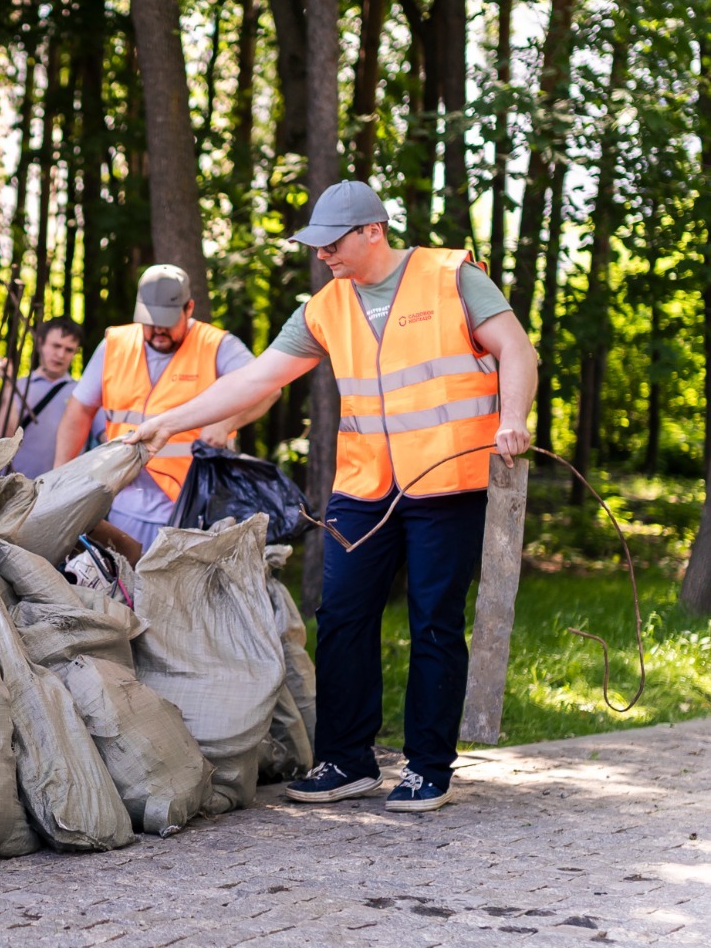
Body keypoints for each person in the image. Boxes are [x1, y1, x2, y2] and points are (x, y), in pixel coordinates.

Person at [127, 181, 538, 813]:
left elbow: (517, 348)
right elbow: (257, 377)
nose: (322, 255)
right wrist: (169, 422)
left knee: (434, 619)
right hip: (364, 484)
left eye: (331, 242)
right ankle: (348, 760)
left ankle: (430, 768)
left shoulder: (450, 276)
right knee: (342, 615)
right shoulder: (325, 307)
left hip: (447, 479)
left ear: (373, 231)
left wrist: (514, 416)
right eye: (315, 245)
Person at [53, 264, 277, 552]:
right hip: (123, 504)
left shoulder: (217, 345)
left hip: (193, 509)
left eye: (167, 321)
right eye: (150, 321)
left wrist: (225, 423)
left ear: (189, 308)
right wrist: (61, 477)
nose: (158, 330)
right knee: (123, 592)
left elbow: (268, 389)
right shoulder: (115, 345)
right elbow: (79, 410)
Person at [0, 316, 85, 479]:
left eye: (69, 350)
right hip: (15, 487)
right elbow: (5, 435)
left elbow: (105, 437)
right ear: (41, 343)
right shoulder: (18, 387)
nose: (61, 354)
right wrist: (7, 385)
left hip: (65, 489)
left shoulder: (82, 392)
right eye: (56, 346)